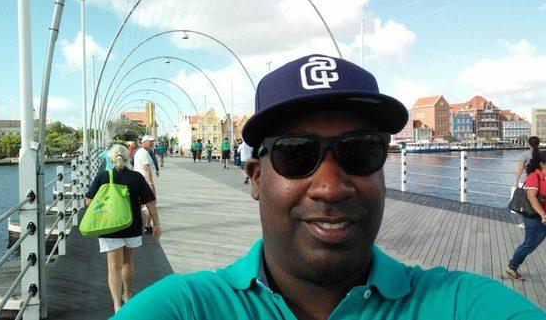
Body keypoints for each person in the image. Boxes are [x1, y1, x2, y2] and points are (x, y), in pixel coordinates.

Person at [114, 54, 543, 319]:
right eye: (296, 154)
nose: (331, 187)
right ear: (256, 178)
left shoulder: (460, 304)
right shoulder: (187, 308)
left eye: (359, 151)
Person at [85, 144, 161, 313]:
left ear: (111, 159)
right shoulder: (137, 177)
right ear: (128, 158)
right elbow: (150, 202)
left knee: (113, 266)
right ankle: (128, 296)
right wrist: (156, 223)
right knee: (127, 263)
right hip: (132, 225)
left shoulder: (103, 176)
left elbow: (89, 201)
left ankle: (117, 305)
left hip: (110, 227)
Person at [506, 150, 546, 280]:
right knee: (530, 243)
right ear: (542, 163)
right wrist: (543, 215)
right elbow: (531, 197)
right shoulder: (534, 176)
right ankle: (512, 267)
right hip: (535, 216)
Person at [133, 135, 158, 233]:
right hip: (144, 182)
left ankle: (144, 224)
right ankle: (145, 225)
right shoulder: (144, 153)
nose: (152, 143)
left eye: (152, 141)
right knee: (152, 203)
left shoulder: (140, 152)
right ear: (143, 142)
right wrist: (151, 184)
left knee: (140, 204)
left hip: (140, 181)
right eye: (150, 141)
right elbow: (146, 168)